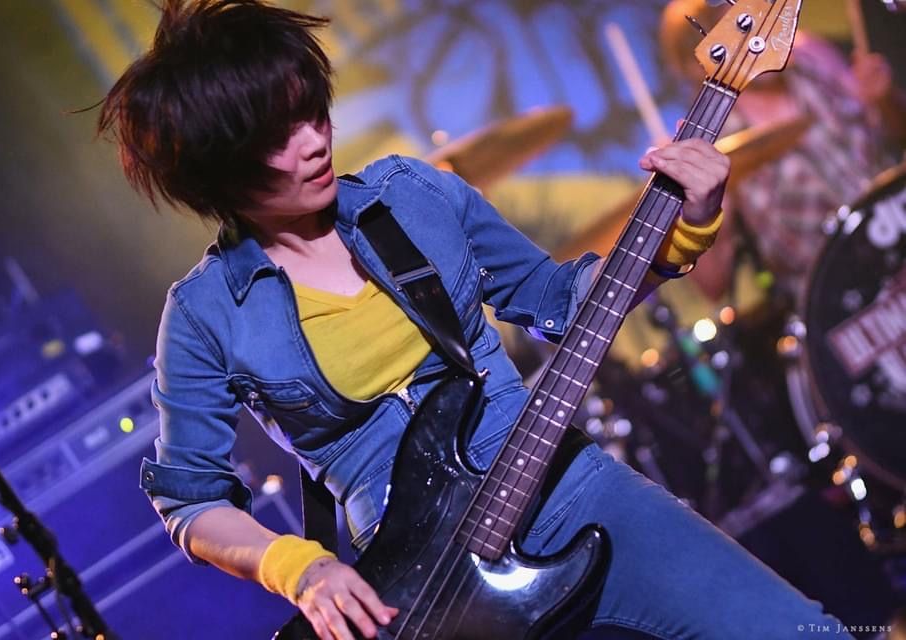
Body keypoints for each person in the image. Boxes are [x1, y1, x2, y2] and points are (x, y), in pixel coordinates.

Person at [98, 2, 850, 638]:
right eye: (275, 137)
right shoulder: (204, 315)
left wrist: (685, 228)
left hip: (564, 485)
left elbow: (558, 301)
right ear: (221, 169)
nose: (313, 140)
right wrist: (300, 568)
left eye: (308, 109)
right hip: (423, 589)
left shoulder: (414, 195)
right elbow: (190, 499)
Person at [661, 0, 906, 302]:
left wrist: (884, 99)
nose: (762, 37)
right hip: (842, 301)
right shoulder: (714, 145)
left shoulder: (810, 56)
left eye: (757, 21)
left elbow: (896, 137)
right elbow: (714, 285)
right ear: (704, 59)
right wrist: (687, 204)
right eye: (742, 31)